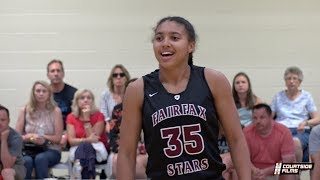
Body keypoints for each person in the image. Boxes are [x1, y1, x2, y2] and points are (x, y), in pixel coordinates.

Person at [117, 16, 251, 179]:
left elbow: (236, 140)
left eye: (174, 37)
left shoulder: (213, 80)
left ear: (191, 45)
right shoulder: (137, 89)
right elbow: (126, 153)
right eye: (159, 38)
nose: (165, 43)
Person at [271, 66, 320, 163]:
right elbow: (269, 117)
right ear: (285, 81)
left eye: (294, 78)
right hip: (281, 130)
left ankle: (295, 175)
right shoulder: (278, 96)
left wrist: (306, 123)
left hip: (300, 130)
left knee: (295, 142)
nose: (291, 81)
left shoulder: (306, 96)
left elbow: (317, 118)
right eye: (288, 79)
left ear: (300, 82)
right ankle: (281, 175)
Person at [15, 80, 63, 179]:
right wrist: (28, 137)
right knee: (26, 161)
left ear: (49, 93)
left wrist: (43, 137)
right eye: (38, 91)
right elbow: (16, 137)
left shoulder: (56, 111)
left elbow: (58, 138)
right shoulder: (24, 110)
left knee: (40, 159)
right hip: (28, 149)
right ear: (33, 93)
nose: (41, 94)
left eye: (44, 91)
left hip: (50, 149)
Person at [106, 78, 147, 179]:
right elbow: (112, 135)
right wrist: (122, 149)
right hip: (124, 149)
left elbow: (157, 136)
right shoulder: (118, 110)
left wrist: (139, 149)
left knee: (136, 164)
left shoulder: (151, 109)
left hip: (146, 151)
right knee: (117, 161)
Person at [244, 103, 296, 180]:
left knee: (289, 169)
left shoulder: (284, 132)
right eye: (255, 118)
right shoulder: (246, 132)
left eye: (262, 117)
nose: (258, 121)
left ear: (270, 116)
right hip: (254, 172)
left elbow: (288, 161)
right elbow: (243, 158)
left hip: (276, 171)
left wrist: (267, 171)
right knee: (235, 168)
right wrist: (255, 171)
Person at [66, 89, 108, 179]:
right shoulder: (71, 117)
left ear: (92, 101)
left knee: (87, 146)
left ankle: (81, 174)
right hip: (77, 149)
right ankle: (89, 176)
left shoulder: (99, 115)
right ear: (77, 101)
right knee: (85, 146)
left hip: (96, 149)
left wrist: (86, 119)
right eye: (82, 98)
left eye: (89, 98)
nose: (86, 100)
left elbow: (94, 139)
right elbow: (71, 141)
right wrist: (86, 140)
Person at [100, 64, 130, 132]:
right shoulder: (105, 95)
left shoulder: (130, 94)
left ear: (126, 78)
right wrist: (107, 124)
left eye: (122, 75)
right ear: (111, 79)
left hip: (128, 127)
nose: (118, 77)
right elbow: (103, 115)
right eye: (115, 75)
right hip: (110, 128)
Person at [0, 105, 26, 180]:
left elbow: (7, 165)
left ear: (9, 121)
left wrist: (4, 140)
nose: (0, 123)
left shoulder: (16, 137)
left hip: (15, 167)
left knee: (6, 172)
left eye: (3, 120)